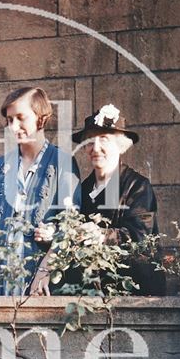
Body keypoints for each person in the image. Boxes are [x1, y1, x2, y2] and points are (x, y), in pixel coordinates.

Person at [30, 103, 159, 295]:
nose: (95, 148)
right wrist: (53, 236)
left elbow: (140, 238)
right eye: (90, 142)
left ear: (120, 145)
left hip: (128, 290)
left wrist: (102, 236)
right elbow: (72, 236)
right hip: (88, 292)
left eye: (104, 140)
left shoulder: (138, 186)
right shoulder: (82, 189)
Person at [0, 86, 80, 295]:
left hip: (41, 284)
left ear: (41, 118)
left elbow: (71, 226)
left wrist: (45, 270)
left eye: (21, 118)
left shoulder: (62, 163)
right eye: (10, 120)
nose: (13, 127)